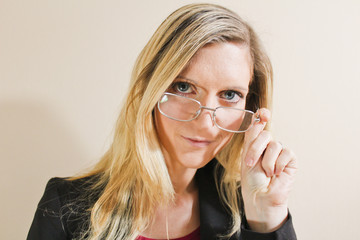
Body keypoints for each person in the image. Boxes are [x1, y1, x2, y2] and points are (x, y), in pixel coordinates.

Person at [27, 3, 297, 240]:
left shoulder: (249, 211)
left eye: (230, 95)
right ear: (150, 90)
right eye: (183, 87)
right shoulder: (63, 208)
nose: (206, 124)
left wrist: (266, 218)